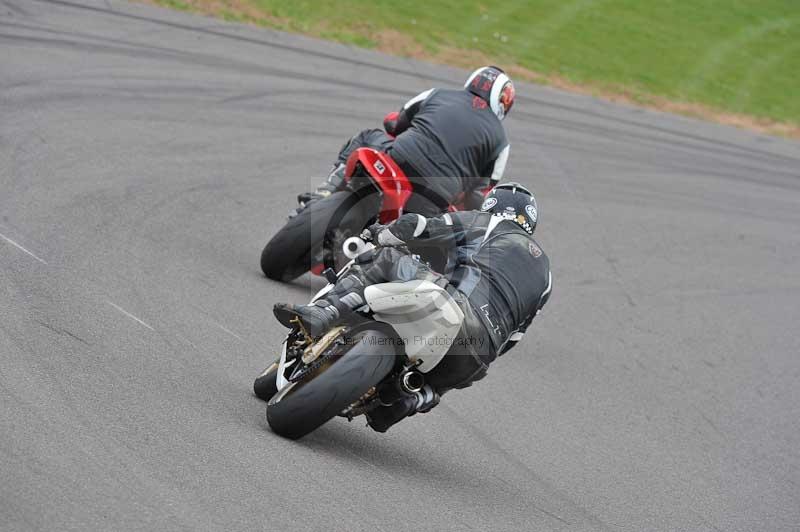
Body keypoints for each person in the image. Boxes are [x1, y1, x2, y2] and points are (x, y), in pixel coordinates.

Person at [274, 182, 552, 432]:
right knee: (433, 385)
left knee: (385, 257)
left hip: (454, 303)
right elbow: (514, 338)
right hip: (480, 353)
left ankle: (325, 312)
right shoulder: (546, 275)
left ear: (491, 205)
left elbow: (418, 227)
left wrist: (379, 234)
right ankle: (406, 401)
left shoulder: (488, 223)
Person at [298, 66, 515, 216]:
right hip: (437, 194)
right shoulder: (501, 142)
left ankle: (326, 191)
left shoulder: (437, 94)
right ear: (503, 102)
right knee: (430, 244)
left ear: (472, 80)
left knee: (366, 137)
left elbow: (394, 124)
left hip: (400, 159)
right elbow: (480, 195)